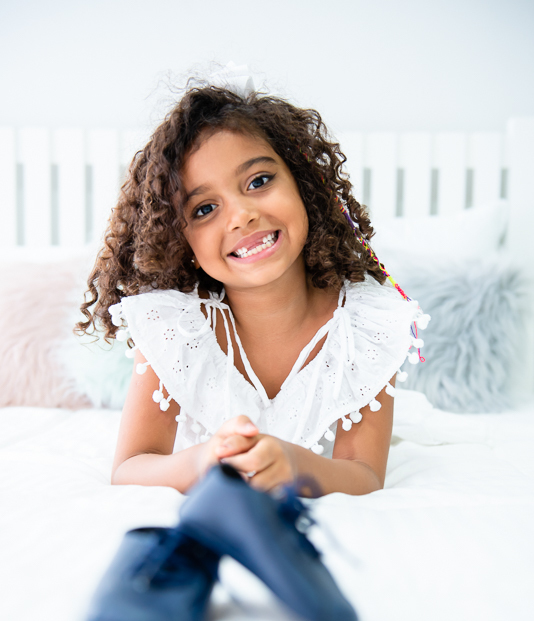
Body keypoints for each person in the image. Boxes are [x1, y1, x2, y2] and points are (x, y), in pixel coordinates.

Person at [77, 68, 428, 498]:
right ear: (178, 239)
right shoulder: (178, 329)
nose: (241, 215)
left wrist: (293, 465)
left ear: (302, 183)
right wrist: (206, 461)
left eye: (259, 181)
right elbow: (130, 467)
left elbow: (365, 475)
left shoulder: (365, 326)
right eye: (205, 209)